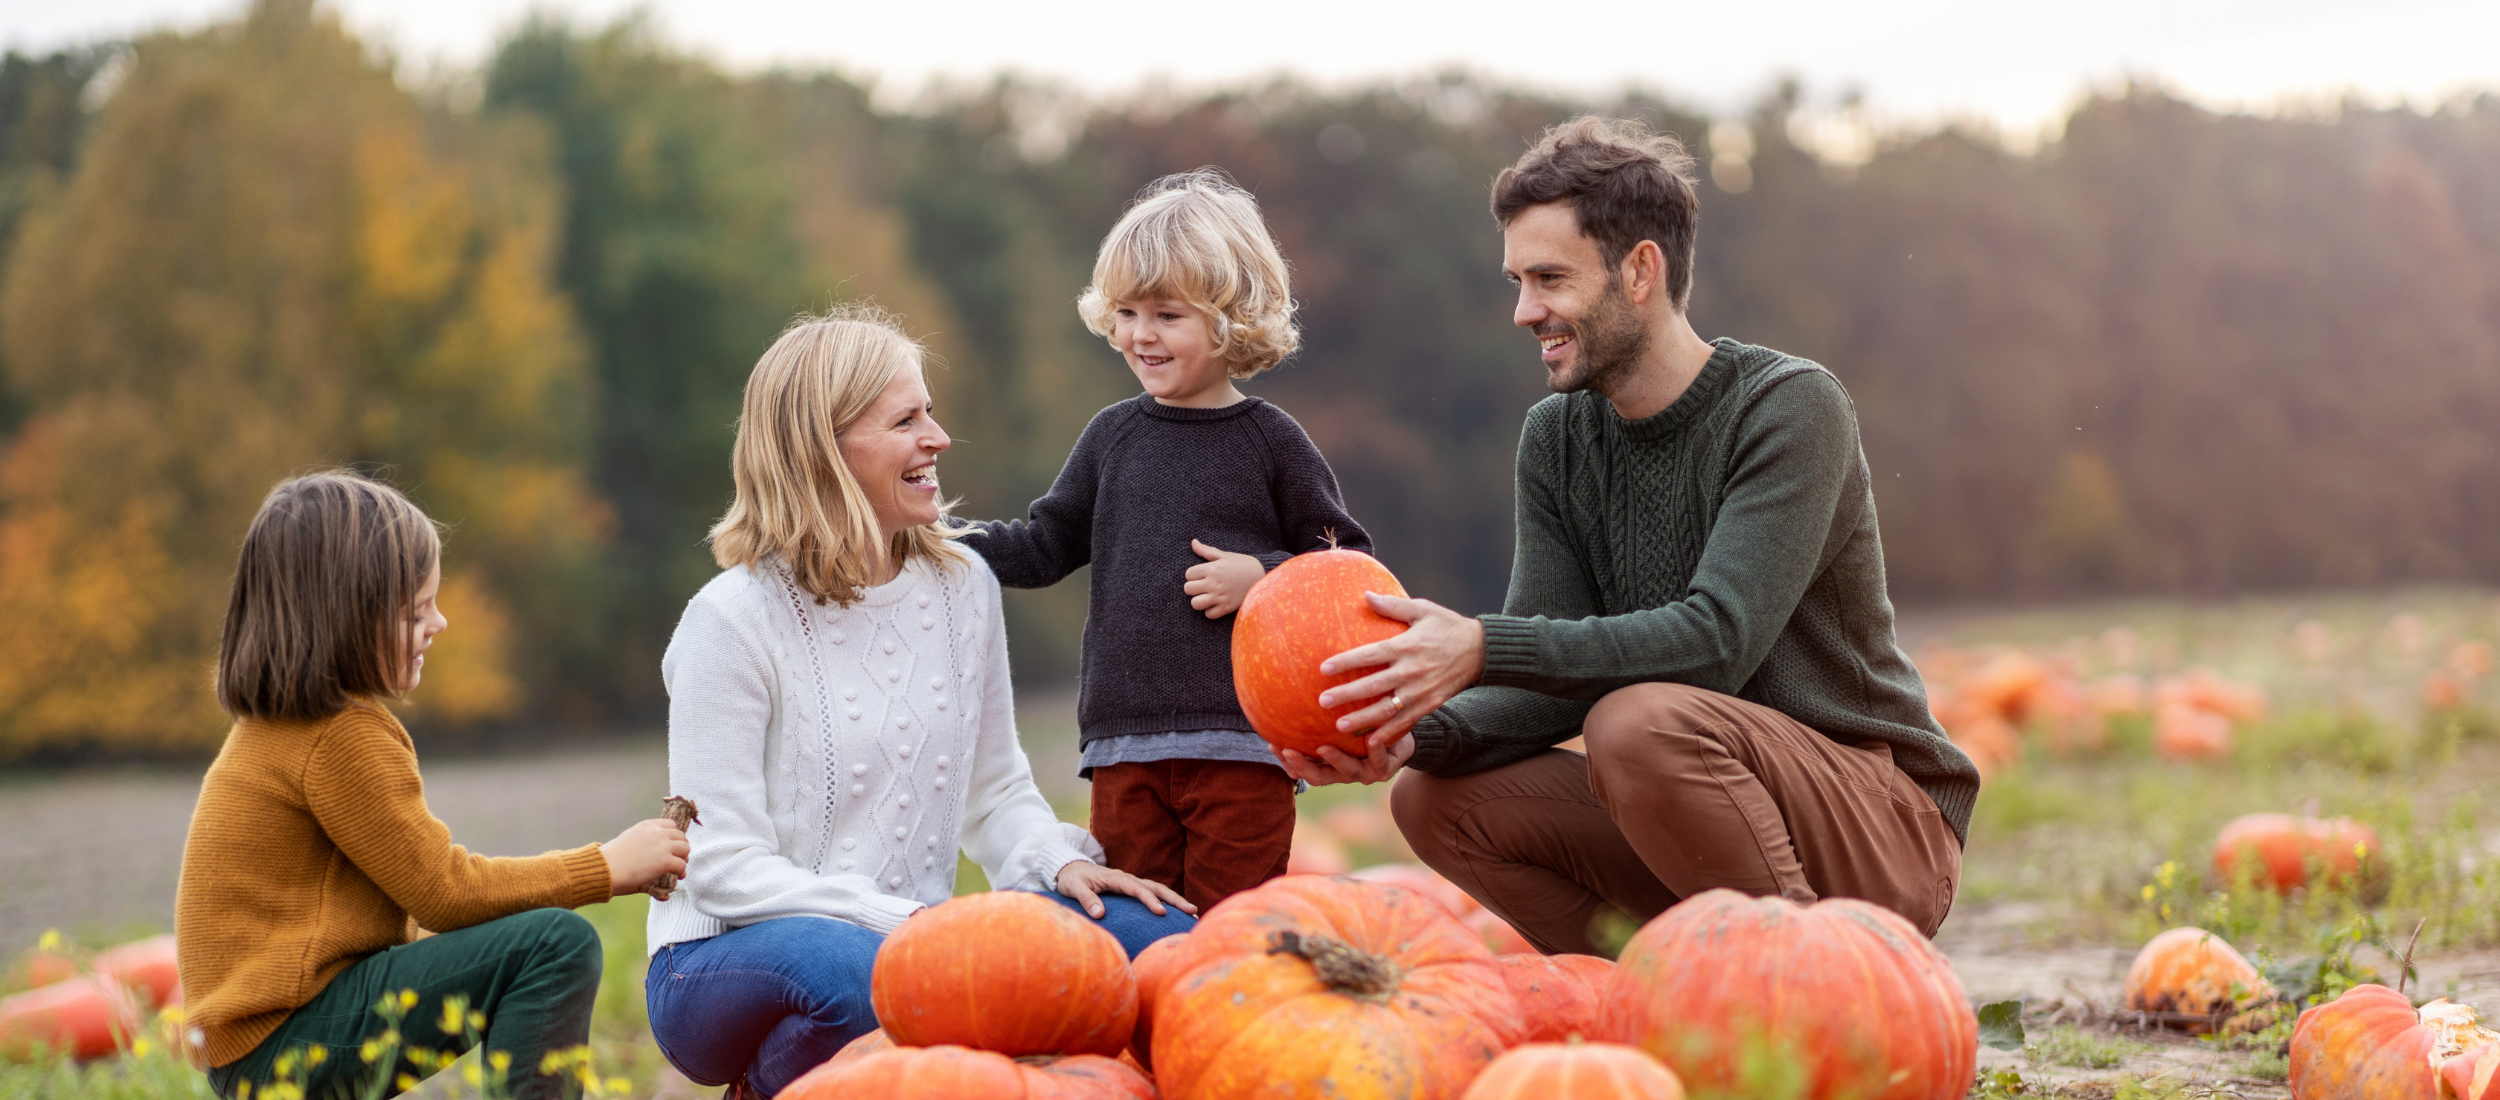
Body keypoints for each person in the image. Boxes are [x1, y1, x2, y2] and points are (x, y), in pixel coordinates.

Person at [1277, 118, 1982, 953]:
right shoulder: (1558, 439)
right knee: (1434, 798)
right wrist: (1408, 738)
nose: (1523, 311)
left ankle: (1813, 989)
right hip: (1701, 814)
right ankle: (1660, 1003)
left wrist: (1477, 644)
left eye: (1548, 279)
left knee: (1635, 724)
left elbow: (1718, 642)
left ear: (1640, 270)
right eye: (1516, 280)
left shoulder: (1789, 407)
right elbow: (1544, 687)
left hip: (1878, 822)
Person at [644, 306, 1196, 1099]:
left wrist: (1056, 861)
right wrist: (899, 924)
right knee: (861, 979)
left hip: (911, 937)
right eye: (906, 420)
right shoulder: (730, 620)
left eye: (929, 413)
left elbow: (995, 791)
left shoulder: (962, 584)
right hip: (725, 956)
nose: (937, 439)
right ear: (824, 450)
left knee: (1161, 943)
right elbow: (722, 866)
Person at [177, 471, 690, 1100]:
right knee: (554, 946)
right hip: (284, 1044)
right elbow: (446, 893)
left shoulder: (276, 728)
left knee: (520, 945)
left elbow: (423, 909)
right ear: (346, 620)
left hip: (255, 1049)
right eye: (417, 611)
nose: (440, 623)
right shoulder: (339, 736)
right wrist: (604, 867)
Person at [965, 169, 1371, 912]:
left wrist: (1264, 576)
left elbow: (1346, 566)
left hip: (1242, 747)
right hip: (1123, 747)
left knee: (1224, 931)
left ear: (1232, 321)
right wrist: (944, 543)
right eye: (1125, 312)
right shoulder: (1111, 437)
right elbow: (1043, 544)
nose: (1139, 335)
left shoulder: (1271, 441)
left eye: (1166, 315)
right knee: (1134, 929)